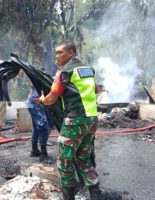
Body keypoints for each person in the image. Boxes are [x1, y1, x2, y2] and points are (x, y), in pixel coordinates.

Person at [36, 41, 102, 199]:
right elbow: (96, 90)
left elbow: (52, 98)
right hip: (91, 119)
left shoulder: (64, 71)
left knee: (64, 159)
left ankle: (69, 196)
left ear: (71, 53)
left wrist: (42, 100)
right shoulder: (88, 69)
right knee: (83, 157)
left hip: (75, 120)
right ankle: (96, 194)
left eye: (60, 52)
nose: (56, 56)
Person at [27, 87, 54, 162]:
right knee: (43, 128)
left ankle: (34, 150)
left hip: (32, 103)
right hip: (36, 104)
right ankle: (43, 154)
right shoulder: (50, 75)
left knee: (36, 128)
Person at [0, 68, 12, 140]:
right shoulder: (3, 76)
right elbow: (4, 89)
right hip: (1, 100)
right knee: (0, 117)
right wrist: (8, 100)